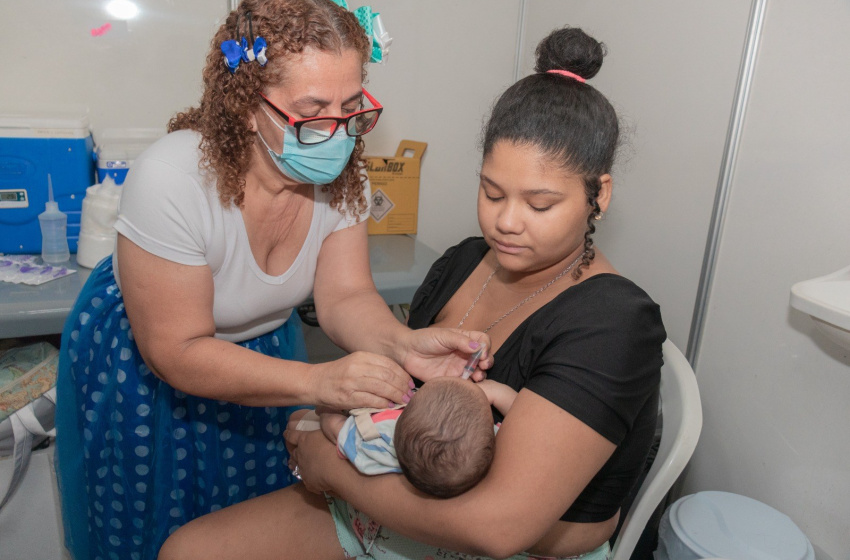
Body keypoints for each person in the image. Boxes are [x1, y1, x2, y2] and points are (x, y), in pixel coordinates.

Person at [158, 25, 666, 560]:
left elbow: (497, 528)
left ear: (598, 195)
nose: (507, 222)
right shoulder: (465, 261)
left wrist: (327, 466)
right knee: (187, 551)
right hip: (395, 508)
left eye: (540, 205)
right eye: (492, 193)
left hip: (511, 545)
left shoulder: (614, 324)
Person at [53, 2, 489, 559]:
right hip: (146, 373)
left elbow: (346, 295)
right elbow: (177, 350)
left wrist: (404, 345)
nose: (338, 134)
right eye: (313, 113)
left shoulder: (338, 173)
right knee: (149, 527)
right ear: (246, 108)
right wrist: (317, 382)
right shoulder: (173, 180)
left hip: (266, 356)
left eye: (352, 109)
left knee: (249, 515)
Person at [295, 377, 517, 498]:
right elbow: (521, 413)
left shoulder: (379, 437)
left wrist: (326, 409)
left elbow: (336, 428)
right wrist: (493, 391)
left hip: (362, 517)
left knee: (296, 420)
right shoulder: (487, 444)